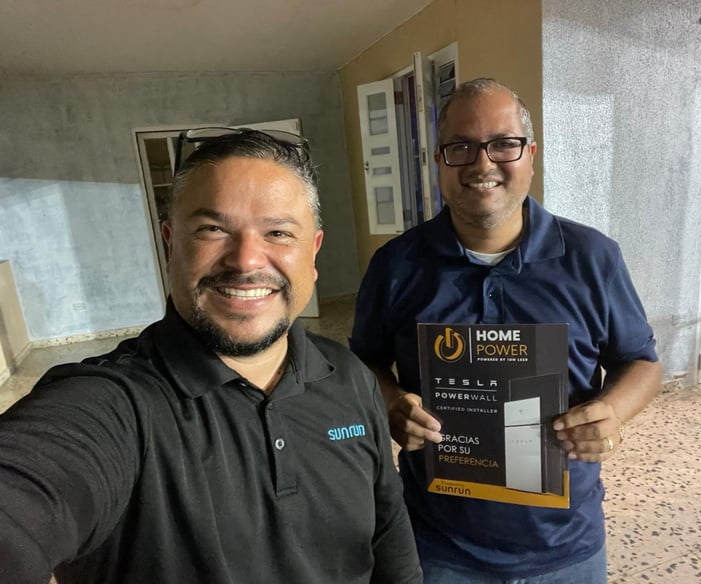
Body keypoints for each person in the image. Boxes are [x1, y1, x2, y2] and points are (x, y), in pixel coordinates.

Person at [0, 129, 423, 584]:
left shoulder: (349, 377)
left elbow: (388, 531)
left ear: (313, 252)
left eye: (278, 232)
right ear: (170, 245)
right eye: (213, 230)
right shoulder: (113, 405)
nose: (246, 261)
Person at [350, 78, 662, 583]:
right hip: (439, 545)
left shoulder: (593, 258)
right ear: (439, 160)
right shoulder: (396, 265)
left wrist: (613, 413)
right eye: (460, 147)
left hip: (567, 543)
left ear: (530, 154)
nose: (482, 163)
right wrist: (389, 402)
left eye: (502, 144)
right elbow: (362, 360)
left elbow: (641, 361)